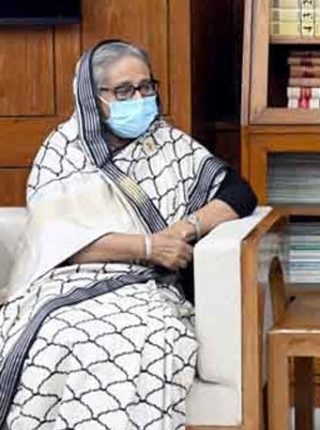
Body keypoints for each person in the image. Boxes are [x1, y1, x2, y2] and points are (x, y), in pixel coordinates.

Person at [0, 40, 256, 428]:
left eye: (145, 87)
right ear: (93, 97)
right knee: (61, 337)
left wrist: (185, 228)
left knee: (146, 339)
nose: (139, 99)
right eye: (123, 91)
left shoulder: (168, 143)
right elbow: (56, 241)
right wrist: (148, 246)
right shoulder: (63, 150)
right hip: (69, 282)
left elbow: (239, 193)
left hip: (149, 287)